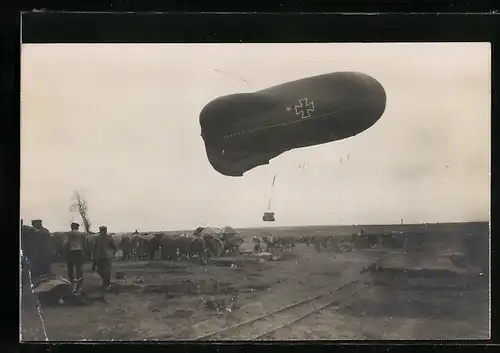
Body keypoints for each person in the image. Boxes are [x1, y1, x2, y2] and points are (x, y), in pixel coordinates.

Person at [93, 226, 117, 291]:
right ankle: (105, 283)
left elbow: (94, 247)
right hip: (104, 256)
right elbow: (114, 247)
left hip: (103, 256)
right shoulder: (105, 238)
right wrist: (113, 252)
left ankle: (106, 284)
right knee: (103, 271)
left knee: (103, 271)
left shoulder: (99, 237)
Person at [64, 222, 85, 292]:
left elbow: (65, 243)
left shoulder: (68, 233)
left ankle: (71, 279)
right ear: (77, 227)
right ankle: (79, 278)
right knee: (78, 266)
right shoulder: (81, 234)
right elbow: (84, 243)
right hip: (79, 251)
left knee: (70, 266)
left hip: (71, 251)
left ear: (72, 227)